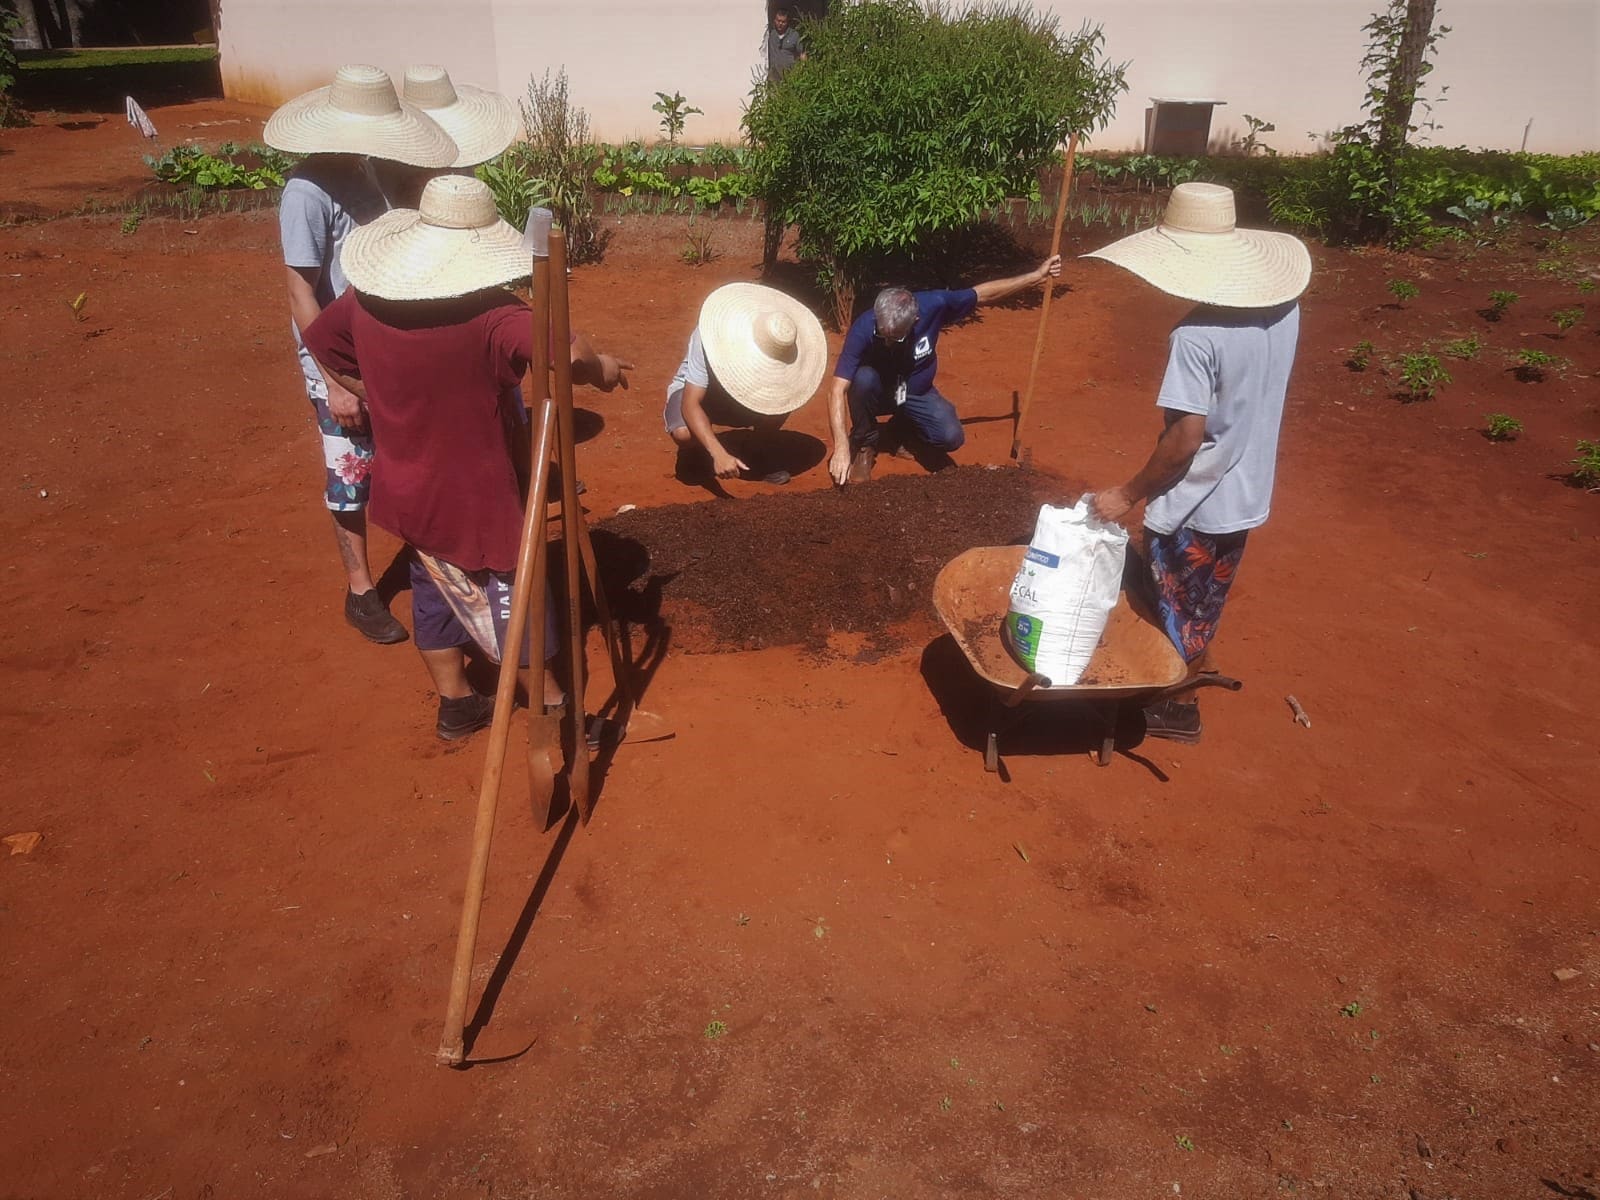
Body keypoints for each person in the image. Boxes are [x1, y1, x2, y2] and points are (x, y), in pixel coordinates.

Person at [302, 175, 629, 740]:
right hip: (477, 497)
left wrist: (371, 392)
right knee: (514, 592)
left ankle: (456, 702)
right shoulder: (493, 315)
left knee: (434, 582)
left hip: (408, 485)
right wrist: (605, 369)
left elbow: (320, 340)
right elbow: (570, 355)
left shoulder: (366, 301)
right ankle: (554, 712)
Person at [1082, 182, 1311, 744]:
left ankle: (1177, 705)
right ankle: (1193, 671)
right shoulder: (1284, 310)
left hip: (1198, 502)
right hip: (1245, 492)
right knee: (1204, 599)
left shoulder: (1196, 337)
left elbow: (1185, 439)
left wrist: (1126, 494)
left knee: (1174, 605)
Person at [264, 64, 458, 644]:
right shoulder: (306, 191)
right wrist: (334, 380)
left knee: (409, 455)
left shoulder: (367, 172)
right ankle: (360, 590)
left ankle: (429, 556)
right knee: (350, 473)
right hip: (340, 358)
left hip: (386, 349)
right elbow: (300, 292)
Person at [826, 255, 1062, 485]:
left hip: (915, 391)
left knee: (951, 436)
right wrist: (841, 446)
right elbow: (836, 390)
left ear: (915, 321)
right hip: (878, 392)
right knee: (863, 378)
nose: (887, 342)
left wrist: (1036, 276)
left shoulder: (936, 304)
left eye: (895, 338)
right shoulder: (865, 326)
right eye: (882, 335)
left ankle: (902, 429)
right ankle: (865, 444)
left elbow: (982, 294)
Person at [666, 283, 827, 487]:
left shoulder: (782, 342)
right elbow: (691, 403)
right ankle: (696, 450)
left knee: (784, 398)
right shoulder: (709, 335)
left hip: (746, 395)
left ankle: (757, 449)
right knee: (684, 434)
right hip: (705, 395)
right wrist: (718, 453)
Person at [766, 6, 805, 81]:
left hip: (790, 75)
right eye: (778, 21)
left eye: (783, 22)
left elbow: (802, 53)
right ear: (774, 20)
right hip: (774, 76)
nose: (780, 23)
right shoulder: (770, 34)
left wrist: (803, 69)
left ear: (787, 22)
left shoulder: (794, 35)